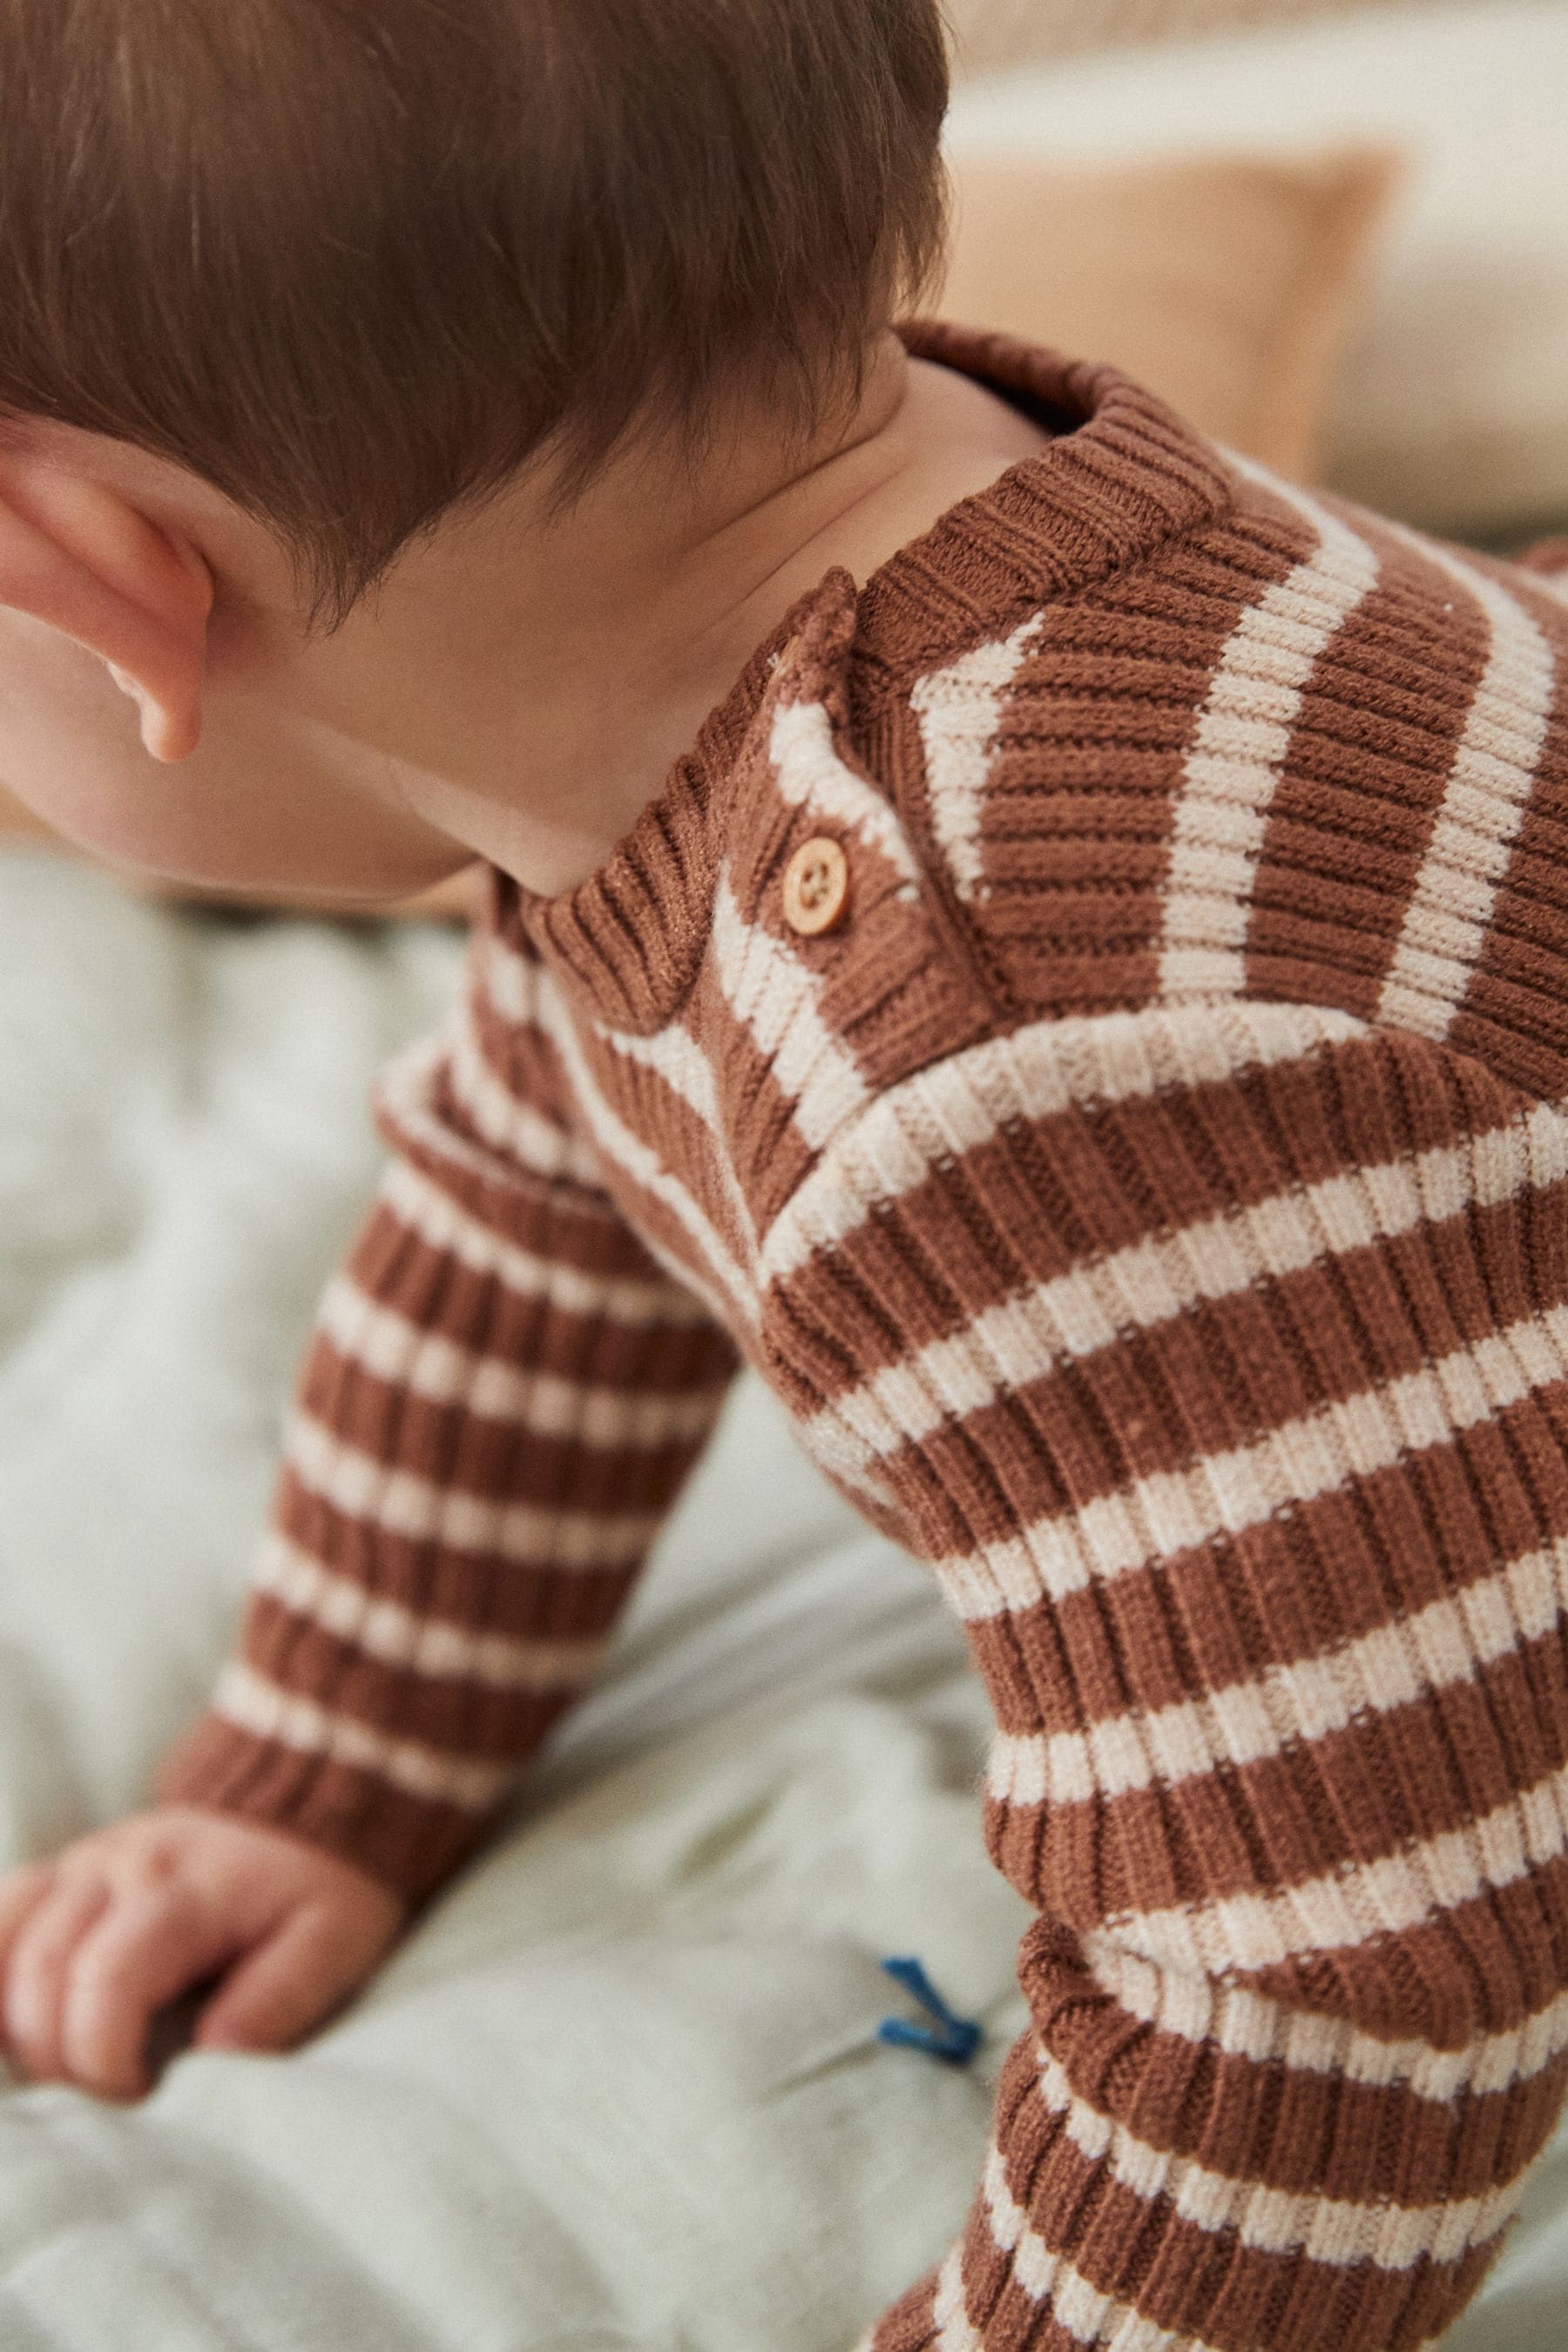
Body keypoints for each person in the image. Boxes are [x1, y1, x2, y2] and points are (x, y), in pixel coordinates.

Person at [0, 4, 1565, 2346]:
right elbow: (532, 1215)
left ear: (97, 581)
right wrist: (322, 1761)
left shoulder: (1024, 1065)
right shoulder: (773, 643)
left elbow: (1332, 1980)